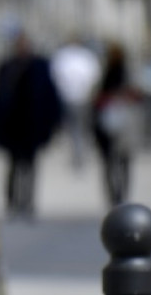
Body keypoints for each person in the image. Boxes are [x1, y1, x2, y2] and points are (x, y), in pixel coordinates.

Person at [0, 30, 62, 219]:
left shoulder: (40, 66)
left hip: (32, 125)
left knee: (30, 165)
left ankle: (28, 201)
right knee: (13, 165)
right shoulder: (7, 67)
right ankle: (13, 201)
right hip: (12, 125)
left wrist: (52, 124)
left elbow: (50, 96)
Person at [91, 42, 139, 207]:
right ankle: (117, 195)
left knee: (118, 162)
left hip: (122, 125)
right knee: (116, 163)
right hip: (109, 125)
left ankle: (118, 195)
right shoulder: (109, 75)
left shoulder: (123, 74)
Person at [50, 36, 101, 171]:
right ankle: (79, 154)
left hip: (74, 98)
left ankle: (78, 154)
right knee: (79, 128)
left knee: (75, 128)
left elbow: (56, 77)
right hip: (78, 98)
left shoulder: (65, 57)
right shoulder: (85, 57)